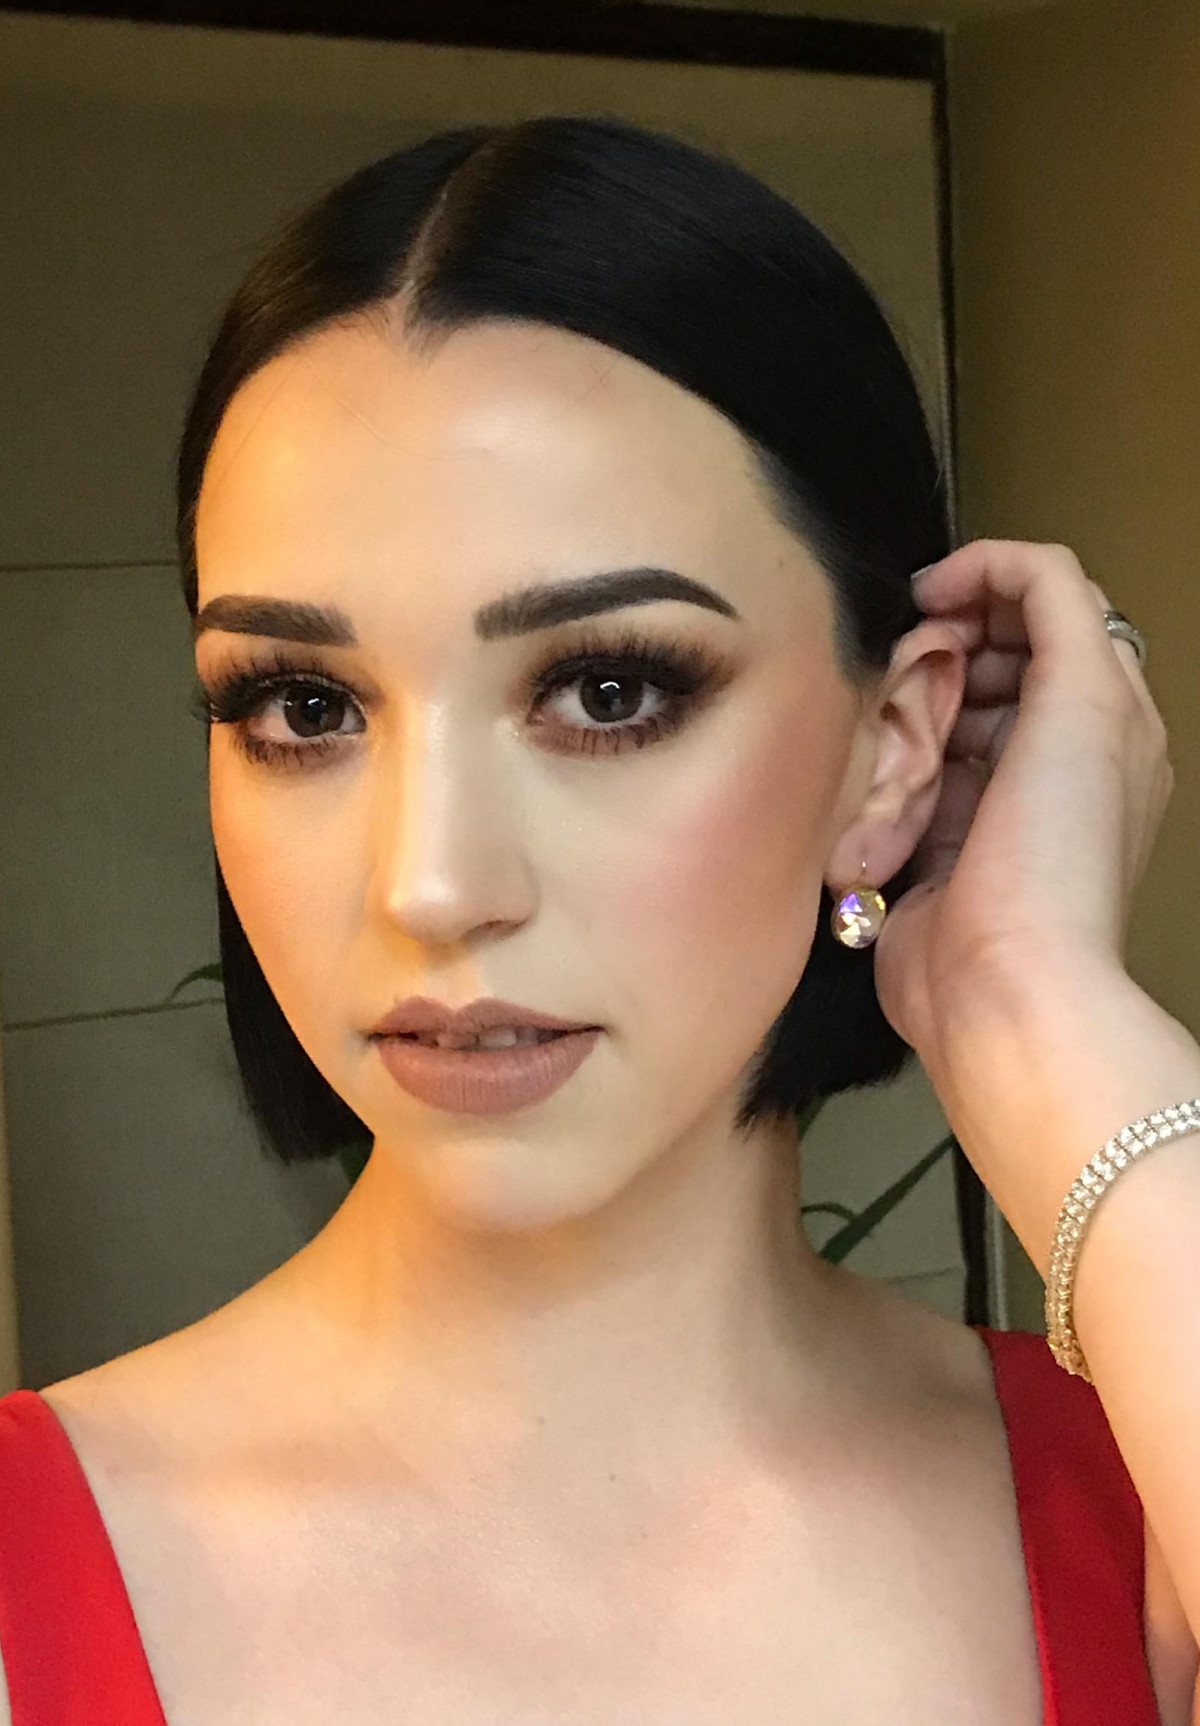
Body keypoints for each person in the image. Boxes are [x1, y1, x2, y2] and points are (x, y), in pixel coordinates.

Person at [0, 115, 1196, 1724]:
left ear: (894, 747)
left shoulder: (1154, 1495)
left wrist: (1041, 1010)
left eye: (608, 689)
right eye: (304, 705)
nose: (431, 885)